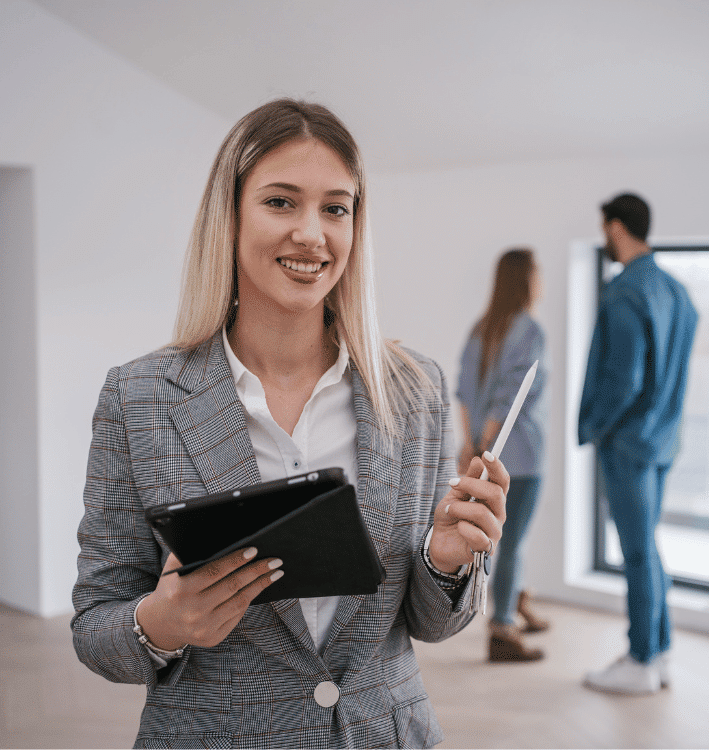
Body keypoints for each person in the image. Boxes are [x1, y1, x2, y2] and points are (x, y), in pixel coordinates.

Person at [71, 99, 510, 749]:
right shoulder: (139, 397)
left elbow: (429, 624)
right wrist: (164, 622)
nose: (311, 233)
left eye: (335, 208)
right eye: (280, 202)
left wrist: (445, 560)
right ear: (229, 216)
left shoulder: (415, 389)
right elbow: (94, 627)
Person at [578, 192, 698, 695]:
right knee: (646, 546)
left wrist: (595, 425)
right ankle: (660, 651)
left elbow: (623, 379)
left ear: (615, 227)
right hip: (663, 441)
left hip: (628, 442)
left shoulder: (625, 290)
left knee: (636, 552)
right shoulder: (677, 292)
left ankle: (641, 659)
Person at [456, 249, 549, 662]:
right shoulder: (530, 330)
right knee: (510, 542)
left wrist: (471, 444)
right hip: (520, 455)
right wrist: (488, 443)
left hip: (480, 449)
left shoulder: (482, 328)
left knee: (502, 538)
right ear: (527, 279)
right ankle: (503, 626)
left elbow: (464, 391)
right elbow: (510, 396)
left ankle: (517, 599)